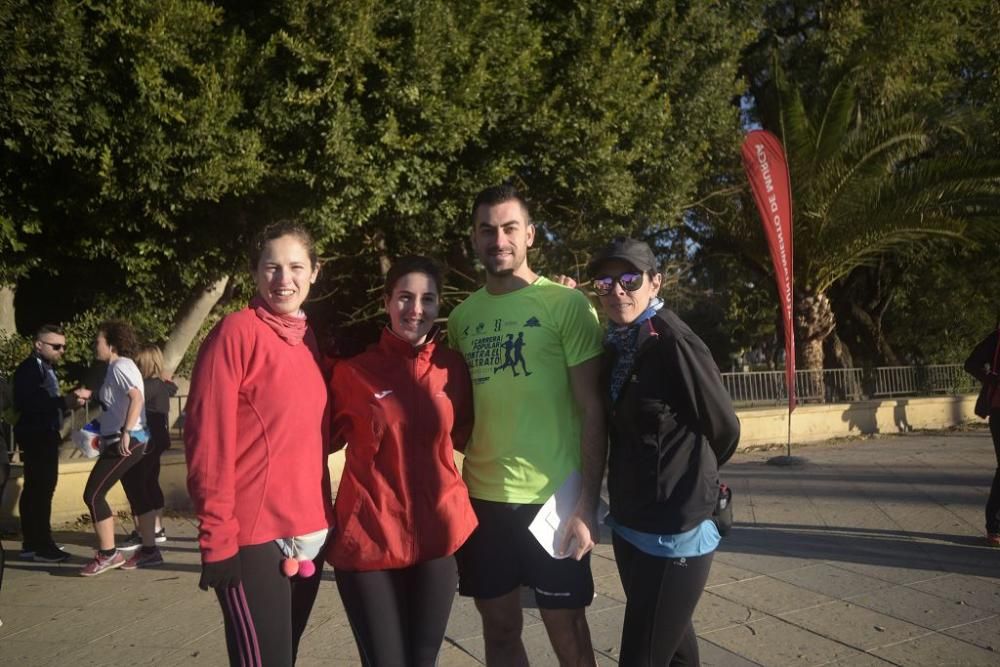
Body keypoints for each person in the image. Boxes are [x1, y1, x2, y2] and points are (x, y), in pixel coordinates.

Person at [447, 184, 607, 666]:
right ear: (474, 240)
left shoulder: (566, 305)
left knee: (569, 634)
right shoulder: (461, 318)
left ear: (531, 235)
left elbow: (593, 409)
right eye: (487, 230)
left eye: (510, 227)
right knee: (498, 631)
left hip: (553, 500)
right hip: (483, 505)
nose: (499, 239)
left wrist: (587, 504)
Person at [184, 221, 333, 667]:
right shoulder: (236, 331)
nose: (283, 280)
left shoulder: (309, 340)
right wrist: (216, 538)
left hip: (308, 534)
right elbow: (206, 440)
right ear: (255, 273)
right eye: (271, 268)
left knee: (284, 655)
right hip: (252, 537)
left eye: (295, 267)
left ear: (314, 271)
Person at [587, 238, 740, 666]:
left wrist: (691, 481)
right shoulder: (617, 342)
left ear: (655, 282)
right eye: (604, 282)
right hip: (631, 522)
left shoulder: (674, 342)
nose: (617, 290)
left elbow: (724, 428)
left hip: (676, 529)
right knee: (675, 654)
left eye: (630, 278)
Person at [328, 255, 477, 666]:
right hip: (369, 540)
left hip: (438, 540)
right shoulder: (353, 372)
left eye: (428, 299)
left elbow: (465, 434)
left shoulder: (453, 368)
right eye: (405, 297)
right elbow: (316, 441)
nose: (416, 309)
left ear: (439, 305)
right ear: (386, 301)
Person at [80, 320, 161, 575]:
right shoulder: (115, 368)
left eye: (98, 341)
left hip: (127, 440)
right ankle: (150, 551)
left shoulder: (120, 365)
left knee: (93, 494)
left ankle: (108, 554)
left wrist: (125, 432)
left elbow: (136, 397)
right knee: (137, 493)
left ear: (112, 345)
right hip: (128, 438)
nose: (95, 345)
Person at [12, 324, 88, 562]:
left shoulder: (43, 368)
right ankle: (42, 545)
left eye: (63, 347)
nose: (61, 351)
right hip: (37, 434)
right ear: (39, 345)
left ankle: (33, 543)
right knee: (43, 489)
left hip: (42, 433)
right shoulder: (29, 370)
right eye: (56, 346)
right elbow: (30, 403)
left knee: (36, 488)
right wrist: (64, 402)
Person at [119, 345, 177, 550]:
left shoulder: (146, 386)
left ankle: (143, 530)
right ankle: (156, 528)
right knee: (150, 482)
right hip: (158, 439)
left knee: (137, 483)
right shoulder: (161, 385)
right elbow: (172, 387)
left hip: (146, 440)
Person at [965, 324, 1000, 547]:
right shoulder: (997, 337)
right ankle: (994, 526)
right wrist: (994, 379)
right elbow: (972, 364)